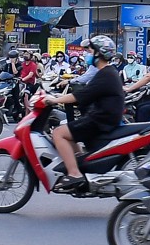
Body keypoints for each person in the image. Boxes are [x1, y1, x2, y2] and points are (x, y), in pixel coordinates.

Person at [41, 38, 125, 192]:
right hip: (101, 117)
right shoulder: (107, 72)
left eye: (90, 51)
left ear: (99, 54)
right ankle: (81, 163)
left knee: (59, 133)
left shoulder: (105, 74)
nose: (87, 54)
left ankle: (74, 173)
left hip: (100, 120)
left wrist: (54, 100)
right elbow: (86, 93)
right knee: (69, 131)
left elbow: (79, 96)